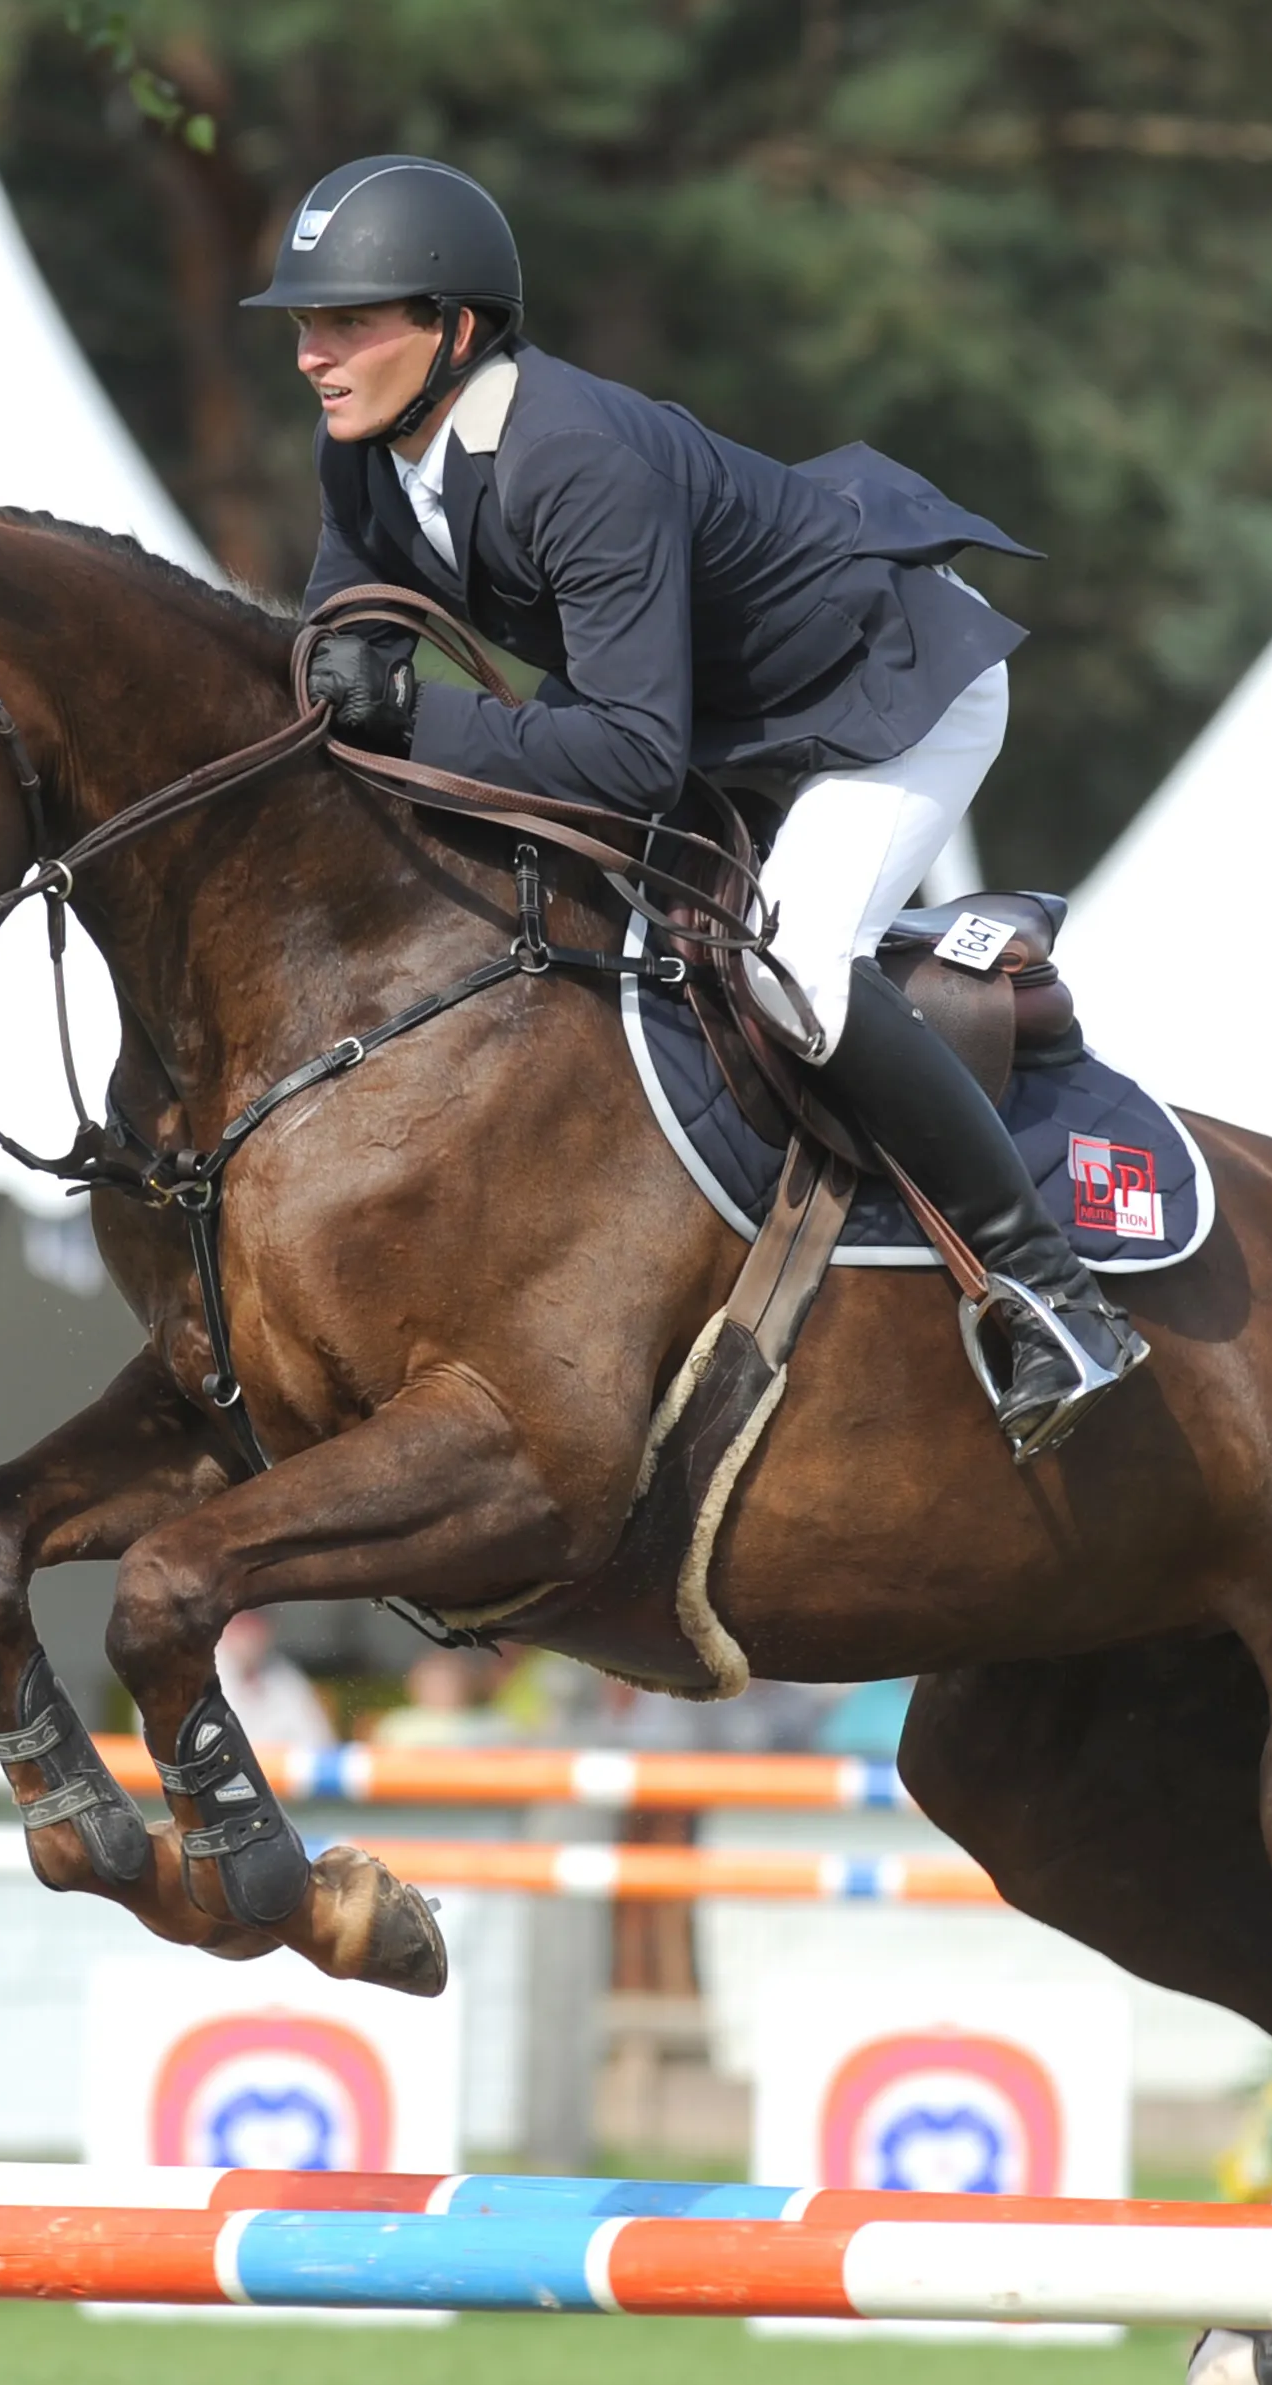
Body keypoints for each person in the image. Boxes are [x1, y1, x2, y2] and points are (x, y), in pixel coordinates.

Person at [248, 153, 1146, 1457]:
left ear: (451, 330)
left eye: (345, 322)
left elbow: (625, 760)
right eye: (303, 326)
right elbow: (349, 647)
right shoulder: (371, 460)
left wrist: (413, 713)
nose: (311, 355)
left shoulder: (573, 460)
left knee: (796, 975)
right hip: (730, 716)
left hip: (886, 698)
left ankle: (1052, 1299)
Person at [211, 1610, 338, 1763]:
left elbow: (322, 1749)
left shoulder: (287, 1680)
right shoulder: (204, 1679)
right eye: (240, 1622)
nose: (250, 1633)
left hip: (280, 1784)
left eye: (256, 1622)